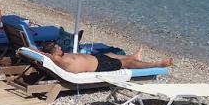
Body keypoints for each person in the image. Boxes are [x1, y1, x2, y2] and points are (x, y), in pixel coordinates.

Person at [40, 41, 172, 74]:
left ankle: (134, 55)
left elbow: (37, 50)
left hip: (97, 59)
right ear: (53, 53)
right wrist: (44, 53)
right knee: (128, 63)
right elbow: (50, 57)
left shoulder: (61, 57)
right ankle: (157, 64)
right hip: (99, 66)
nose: (60, 48)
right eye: (57, 48)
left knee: (109, 54)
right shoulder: (59, 60)